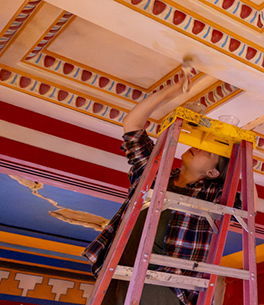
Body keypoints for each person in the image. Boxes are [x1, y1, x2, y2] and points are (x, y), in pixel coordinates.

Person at [82, 66, 232, 305]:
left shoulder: (211, 195)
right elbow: (132, 127)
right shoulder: (154, 176)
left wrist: (234, 143)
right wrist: (169, 93)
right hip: (121, 265)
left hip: (166, 280)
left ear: (213, 172)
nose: (200, 146)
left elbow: (249, 203)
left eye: (210, 152)